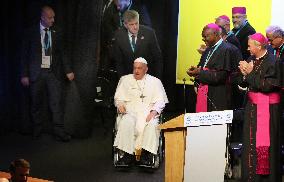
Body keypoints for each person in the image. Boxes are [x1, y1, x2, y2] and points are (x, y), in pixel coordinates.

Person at [20, 5, 73, 142]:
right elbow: (24, 55)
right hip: (36, 73)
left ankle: (59, 131)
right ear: (42, 17)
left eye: (54, 17)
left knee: (56, 103)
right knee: (36, 103)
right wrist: (24, 74)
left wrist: (68, 70)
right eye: (50, 18)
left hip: (52, 73)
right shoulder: (30, 32)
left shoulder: (57, 32)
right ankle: (37, 130)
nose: (53, 20)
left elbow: (63, 53)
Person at [237, 33, 281, 181]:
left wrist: (249, 73)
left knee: (268, 146)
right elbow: (244, 83)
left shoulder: (274, 61)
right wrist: (243, 75)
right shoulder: (251, 59)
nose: (247, 48)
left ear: (259, 46)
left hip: (268, 110)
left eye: (250, 46)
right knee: (250, 145)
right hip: (251, 108)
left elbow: (267, 86)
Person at [113, 57, 168, 165]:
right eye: (134, 68)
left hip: (148, 111)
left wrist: (154, 112)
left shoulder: (155, 81)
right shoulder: (125, 79)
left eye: (139, 68)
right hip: (130, 111)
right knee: (126, 121)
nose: (136, 71)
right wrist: (120, 105)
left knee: (152, 124)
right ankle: (127, 155)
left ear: (146, 69)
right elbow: (118, 99)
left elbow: (161, 101)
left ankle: (146, 155)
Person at [187, 23, 232, 112]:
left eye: (206, 36)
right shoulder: (208, 49)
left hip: (218, 95)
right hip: (205, 92)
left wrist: (199, 73)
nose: (203, 39)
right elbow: (203, 67)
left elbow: (221, 76)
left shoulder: (226, 49)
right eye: (203, 36)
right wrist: (196, 74)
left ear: (215, 34)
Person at [100, 0, 152, 69]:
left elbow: (146, 32)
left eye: (119, 5)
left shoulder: (140, 9)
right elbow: (106, 29)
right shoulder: (112, 9)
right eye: (116, 5)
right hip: (113, 56)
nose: (117, 8)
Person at [112, 10, 163, 79]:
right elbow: (119, 62)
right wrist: (122, 80)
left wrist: (157, 79)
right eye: (131, 24)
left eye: (136, 23)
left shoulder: (149, 33)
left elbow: (158, 58)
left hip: (147, 77)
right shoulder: (119, 36)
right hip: (128, 78)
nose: (135, 27)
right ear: (125, 25)